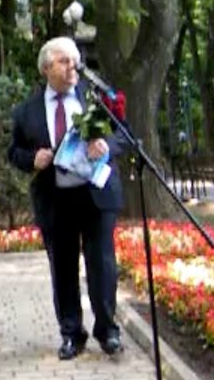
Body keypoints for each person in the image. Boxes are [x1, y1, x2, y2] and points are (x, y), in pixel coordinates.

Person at [7, 37, 125, 360]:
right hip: (55, 198)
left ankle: (108, 330)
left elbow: (123, 134)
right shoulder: (26, 111)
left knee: (102, 265)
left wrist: (106, 146)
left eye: (74, 61)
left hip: (96, 196)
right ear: (46, 68)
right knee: (63, 269)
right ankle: (72, 334)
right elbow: (13, 152)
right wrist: (32, 159)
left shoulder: (96, 99)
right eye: (63, 61)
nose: (72, 67)